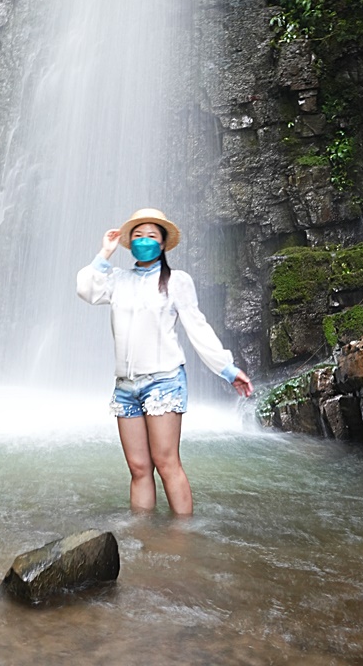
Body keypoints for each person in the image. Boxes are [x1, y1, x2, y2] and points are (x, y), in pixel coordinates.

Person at [77, 206, 254, 515]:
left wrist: (227, 369)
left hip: (164, 382)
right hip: (125, 387)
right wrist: (104, 254)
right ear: (129, 243)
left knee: (166, 462)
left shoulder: (176, 281)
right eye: (138, 236)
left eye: (151, 236)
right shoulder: (118, 280)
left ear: (162, 244)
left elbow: (198, 327)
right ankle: (144, 536)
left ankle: (181, 541)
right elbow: (86, 290)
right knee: (139, 468)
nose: (144, 240)